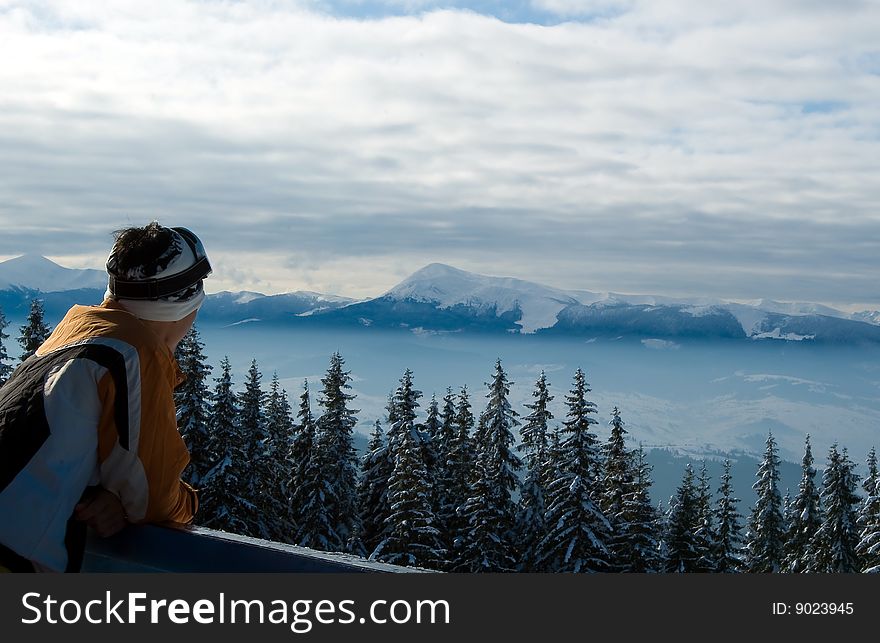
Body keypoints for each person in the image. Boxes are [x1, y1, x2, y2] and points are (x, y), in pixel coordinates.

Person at [0, 222, 212, 572]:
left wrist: (95, 495)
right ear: (188, 305)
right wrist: (185, 502)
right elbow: (153, 499)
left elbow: (46, 449)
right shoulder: (133, 352)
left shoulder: (74, 336)